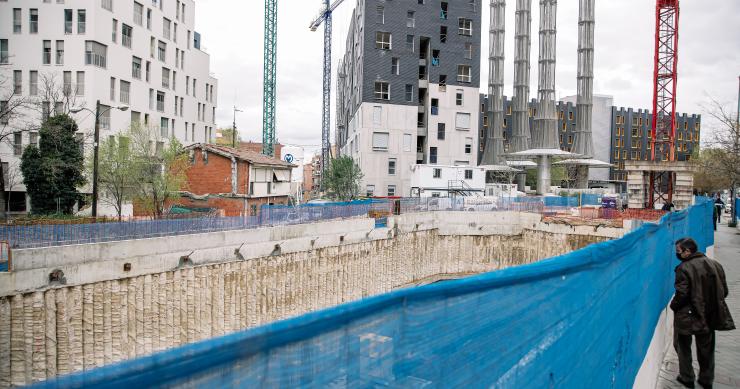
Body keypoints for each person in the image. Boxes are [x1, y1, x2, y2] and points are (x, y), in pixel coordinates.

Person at [671, 238, 735, 389]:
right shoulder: (715, 265)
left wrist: (674, 306)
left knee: (682, 346)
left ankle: (687, 377)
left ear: (688, 251)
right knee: (706, 349)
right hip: (709, 314)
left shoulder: (683, 268)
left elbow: (682, 294)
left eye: (678, 251)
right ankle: (706, 380)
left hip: (686, 315)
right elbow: (723, 291)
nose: (677, 254)